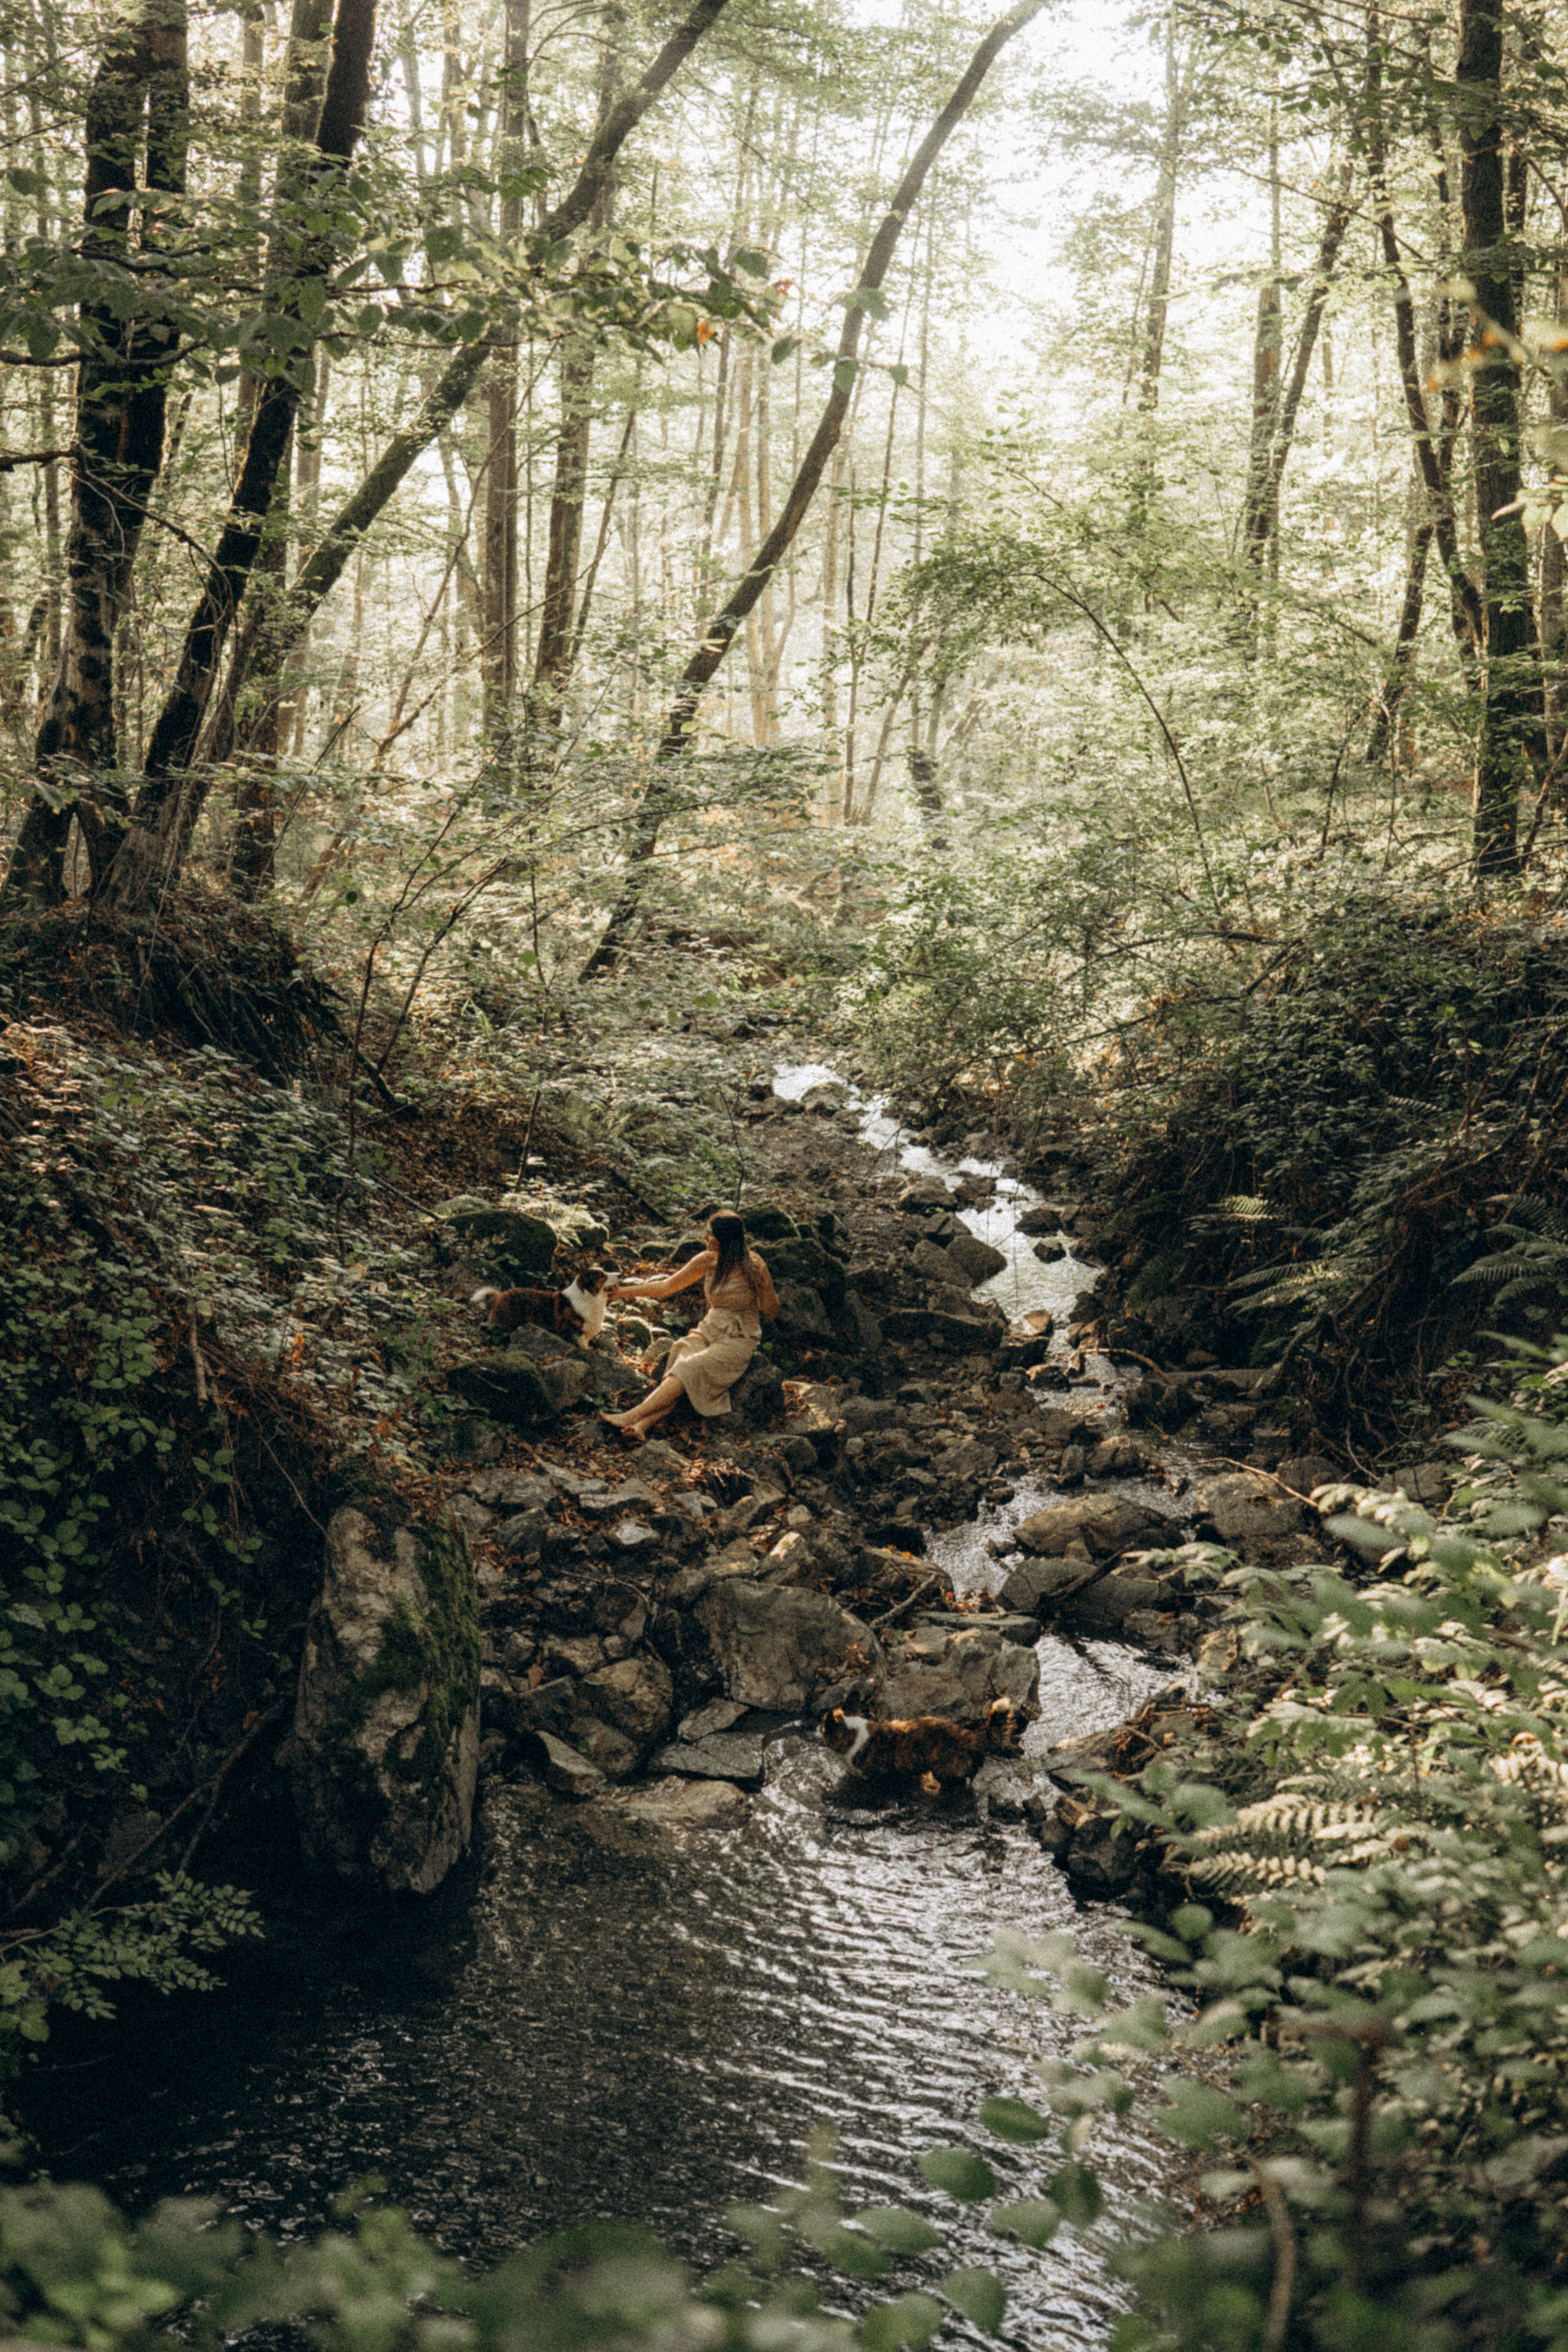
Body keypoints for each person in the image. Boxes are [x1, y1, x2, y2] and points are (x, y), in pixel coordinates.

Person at [603, 1210, 779, 1441]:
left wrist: (763, 1285)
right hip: (708, 1330)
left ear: (724, 1238)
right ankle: (641, 1426)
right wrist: (620, 1294)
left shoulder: (754, 1265)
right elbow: (666, 1286)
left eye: (709, 1233)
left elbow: (772, 1311)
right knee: (680, 1366)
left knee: (689, 1369)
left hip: (739, 1337)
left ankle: (631, 1416)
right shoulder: (707, 1259)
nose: (704, 1237)